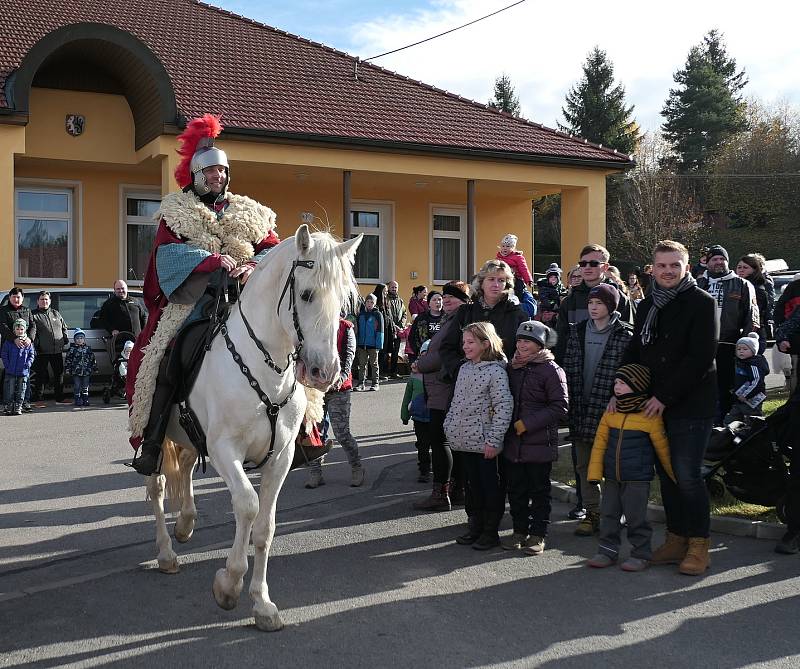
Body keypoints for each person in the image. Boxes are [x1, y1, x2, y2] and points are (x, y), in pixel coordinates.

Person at [127, 114, 281, 475]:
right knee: (168, 354)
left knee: (288, 341)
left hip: (246, 297)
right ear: (197, 176)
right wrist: (211, 260)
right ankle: (153, 440)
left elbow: (272, 246)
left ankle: (306, 430)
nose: (219, 178)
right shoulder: (176, 212)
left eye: (223, 172)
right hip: (196, 301)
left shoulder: (248, 210)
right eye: (212, 173)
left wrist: (254, 265)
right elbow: (167, 255)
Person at [620, 240, 718, 576]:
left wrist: (663, 396)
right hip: (653, 404)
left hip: (690, 404)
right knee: (667, 475)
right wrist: (623, 386)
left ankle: (699, 545)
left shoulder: (701, 302)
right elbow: (636, 349)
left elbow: (700, 358)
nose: (668, 271)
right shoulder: (648, 305)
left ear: (687, 267)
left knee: (687, 475)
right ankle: (676, 538)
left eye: (675, 265)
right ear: (653, 268)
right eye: (662, 265)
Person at [586, 364, 675, 571]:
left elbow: (662, 447)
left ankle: (641, 554)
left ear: (637, 385)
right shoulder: (611, 412)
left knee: (636, 517)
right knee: (609, 514)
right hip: (611, 476)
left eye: (623, 383)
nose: (617, 387)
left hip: (637, 477)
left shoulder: (649, 415)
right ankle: (606, 551)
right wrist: (594, 473)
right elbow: (600, 444)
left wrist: (672, 474)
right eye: (616, 382)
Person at [563, 283, 632, 536]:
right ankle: (592, 512)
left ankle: (614, 513)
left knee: (612, 467)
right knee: (584, 466)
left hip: (610, 408)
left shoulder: (624, 335)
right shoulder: (577, 332)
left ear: (611, 306)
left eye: (599, 303)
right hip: (581, 407)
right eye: (591, 303)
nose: (593, 307)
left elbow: (630, 373)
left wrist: (618, 396)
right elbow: (569, 367)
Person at [500, 320, 568, 556]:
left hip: (539, 444)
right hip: (513, 443)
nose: (522, 345)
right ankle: (519, 531)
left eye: (528, 341)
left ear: (540, 344)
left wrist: (526, 424)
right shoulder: (512, 367)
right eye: (519, 340)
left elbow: (560, 407)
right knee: (516, 490)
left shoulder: (551, 370)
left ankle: (538, 534)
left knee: (539, 491)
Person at [444, 322, 513, 550]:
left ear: (486, 343)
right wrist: (449, 425)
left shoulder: (495, 371)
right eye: (464, 342)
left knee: (489, 488)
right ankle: (474, 526)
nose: (465, 347)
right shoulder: (465, 368)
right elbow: (456, 402)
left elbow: (503, 406)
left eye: (471, 342)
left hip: (484, 443)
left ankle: (490, 531)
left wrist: (494, 440)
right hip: (464, 441)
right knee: (472, 487)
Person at [412, 280, 471, 512]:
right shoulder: (451, 319)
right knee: (447, 441)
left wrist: (421, 364)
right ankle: (455, 491)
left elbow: (443, 354)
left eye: (453, 296)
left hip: (445, 388)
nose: (446, 300)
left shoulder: (459, 321)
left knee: (440, 441)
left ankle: (442, 493)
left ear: (464, 300)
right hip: (439, 388)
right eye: (445, 296)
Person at [697, 245, 759, 424]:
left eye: (722, 258)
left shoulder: (742, 284)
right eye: (714, 259)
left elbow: (752, 317)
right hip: (702, 345)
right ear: (707, 263)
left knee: (727, 387)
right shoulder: (698, 284)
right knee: (702, 387)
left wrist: (747, 344)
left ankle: (725, 425)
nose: (718, 262)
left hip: (729, 344)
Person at [305, 318, 364, 489]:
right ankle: (315, 472)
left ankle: (357, 467)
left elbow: (348, 358)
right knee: (314, 434)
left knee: (342, 433)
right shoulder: (313, 326)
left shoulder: (346, 328)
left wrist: (340, 379)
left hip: (339, 389)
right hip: (316, 389)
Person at [554, 243, 634, 364]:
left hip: (609, 369)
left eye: (593, 263)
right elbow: (561, 340)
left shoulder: (620, 299)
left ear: (605, 267)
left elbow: (629, 340)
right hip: (574, 368)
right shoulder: (569, 301)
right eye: (583, 263)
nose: (587, 267)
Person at [401, 339, 434, 483]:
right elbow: (407, 396)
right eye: (423, 355)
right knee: (422, 444)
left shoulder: (437, 374)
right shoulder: (414, 376)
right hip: (419, 417)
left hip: (435, 416)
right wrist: (405, 415)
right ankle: (424, 470)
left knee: (437, 444)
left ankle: (438, 468)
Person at [0, 287, 37, 412]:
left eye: (19, 297)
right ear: (10, 297)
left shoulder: (27, 310)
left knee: (25, 377)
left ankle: (24, 402)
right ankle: (7, 403)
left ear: (22, 298)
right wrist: (13, 339)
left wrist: (30, 339)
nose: (16, 299)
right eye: (14, 297)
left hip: (25, 350)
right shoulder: (3, 310)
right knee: (9, 379)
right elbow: (3, 327)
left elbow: (33, 326)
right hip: (10, 348)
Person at [30, 291, 69, 403]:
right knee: (40, 376)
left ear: (50, 301)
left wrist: (64, 339)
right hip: (42, 351)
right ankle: (38, 399)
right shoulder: (34, 315)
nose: (44, 301)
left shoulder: (56, 313)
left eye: (46, 299)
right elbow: (32, 331)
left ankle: (59, 397)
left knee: (59, 375)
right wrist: (37, 344)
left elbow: (64, 327)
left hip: (57, 350)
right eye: (42, 299)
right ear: (37, 301)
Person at [723, 332, 769, 425]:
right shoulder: (739, 362)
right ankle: (731, 436)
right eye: (738, 349)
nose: (741, 351)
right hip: (739, 399)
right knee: (730, 419)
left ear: (753, 351)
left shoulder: (754, 364)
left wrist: (746, 395)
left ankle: (754, 436)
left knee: (752, 421)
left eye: (745, 349)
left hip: (752, 399)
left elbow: (756, 381)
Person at [735, 253, 773, 352]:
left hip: (754, 333)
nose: (741, 270)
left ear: (754, 269)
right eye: (739, 267)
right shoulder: (735, 285)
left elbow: (755, 314)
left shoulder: (758, 289)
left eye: (745, 267)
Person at [2, 319, 35, 415]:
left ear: (25, 330)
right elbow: (4, 354)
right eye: (17, 329)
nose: (19, 331)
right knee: (9, 389)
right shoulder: (9, 342)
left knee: (22, 389)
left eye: (22, 329)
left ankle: (18, 406)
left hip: (23, 371)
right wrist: (7, 365)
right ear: (14, 330)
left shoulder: (28, 343)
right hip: (11, 370)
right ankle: (9, 405)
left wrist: (28, 364)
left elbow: (31, 355)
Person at [355, 294, 384, 391]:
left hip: (373, 344)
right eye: (368, 301)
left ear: (375, 304)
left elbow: (380, 331)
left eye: (372, 302)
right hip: (362, 344)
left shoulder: (377, 315)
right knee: (362, 365)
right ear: (365, 302)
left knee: (374, 364)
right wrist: (357, 342)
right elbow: (357, 329)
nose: (369, 304)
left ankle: (375, 383)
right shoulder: (361, 314)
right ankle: (360, 384)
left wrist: (378, 345)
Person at [381, 280, 407, 379]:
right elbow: (387, 315)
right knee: (386, 352)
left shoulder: (400, 300)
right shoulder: (385, 300)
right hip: (389, 330)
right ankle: (384, 372)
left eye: (396, 287)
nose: (394, 289)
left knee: (395, 352)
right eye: (392, 287)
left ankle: (393, 372)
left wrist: (401, 325)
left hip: (398, 330)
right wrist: (393, 326)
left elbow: (404, 314)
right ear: (388, 288)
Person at [64, 329, 97, 408]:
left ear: (84, 339)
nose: (79, 340)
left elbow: (92, 359)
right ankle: (77, 399)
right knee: (77, 386)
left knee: (85, 386)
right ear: (75, 340)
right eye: (77, 338)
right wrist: (67, 369)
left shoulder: (88, 349)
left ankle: (85, 399)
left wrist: (95, 367)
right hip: (76, 371)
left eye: (81, 338)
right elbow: (68, 360)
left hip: (86, 371)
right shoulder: (72, 349)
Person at [408, 291, 443, 360]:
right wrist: (419, 351)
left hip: (442, 355)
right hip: (423, 355)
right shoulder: (421, 318)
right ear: (429, 303)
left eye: (439, 299)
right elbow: (412, 337)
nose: (437, 302)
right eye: (434, 300)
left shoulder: (448, 318)